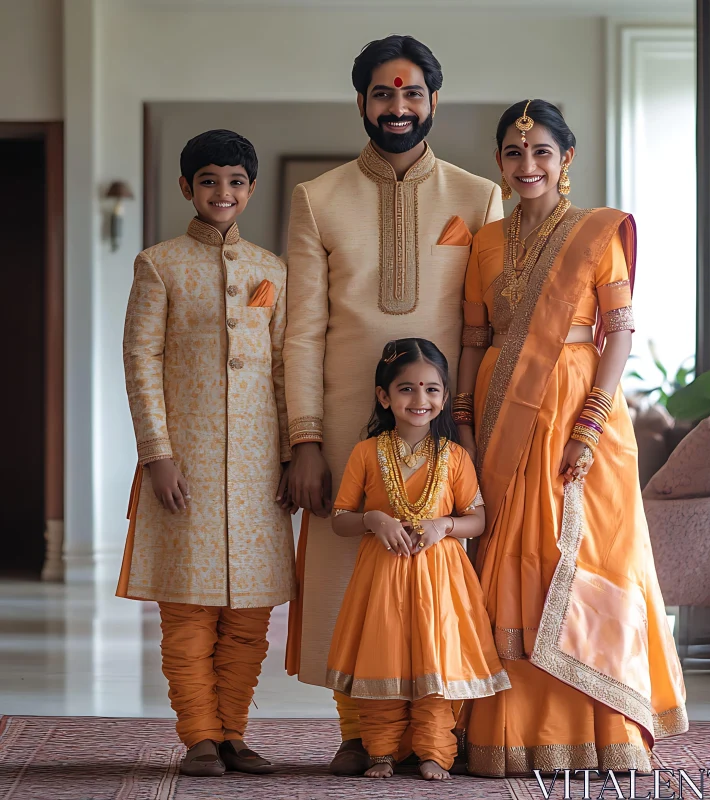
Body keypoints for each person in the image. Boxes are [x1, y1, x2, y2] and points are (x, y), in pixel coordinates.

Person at [281, 35, 503, 774]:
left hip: (443, 424)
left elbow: (490, 324)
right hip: (348, 419)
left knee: (433, 577)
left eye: (411, 94)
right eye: (383, 94)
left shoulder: (478, 197)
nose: (398, 108)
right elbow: (302, 330)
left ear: (433, 101)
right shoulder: (317, 198)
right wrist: (306, 440)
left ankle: (431, 732)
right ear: (362, 104)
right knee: (347, 575)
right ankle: (359, 730)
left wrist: (471, 426)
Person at [455, 101, 687, 776]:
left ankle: (600, 728)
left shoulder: (596, 232)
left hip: (585, 411)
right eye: (514, 153)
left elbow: (620, 335)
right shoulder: (486, 242)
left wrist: (589, 421)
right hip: (503, 412)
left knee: (587, 552)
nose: (528, 166)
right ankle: (510, 732)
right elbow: (474, 340)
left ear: (566, 160)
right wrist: (464, 425)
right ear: (499, 162)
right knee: (508, 553)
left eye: (542, 153)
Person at [117, 129, 296, 777]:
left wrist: (291, 454)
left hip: (258, 470)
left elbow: (282, 369)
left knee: (251, 613)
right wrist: (156, 454)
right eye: (211, 180)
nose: (225, 192)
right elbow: (140, 360)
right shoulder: (159, 263)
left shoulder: (271, 270)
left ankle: (235, 735)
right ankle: (198, 736)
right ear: (187, 187)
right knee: (188, 609)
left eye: (237, 181)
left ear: (251, 188)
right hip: (183, 467)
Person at [325, 338, 510, 781]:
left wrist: (443, 525)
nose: (420, 399)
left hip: (441, 582)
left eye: (431, 389)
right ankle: (382, 752)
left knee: (437, 663)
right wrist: (373, 519)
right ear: (383, 396)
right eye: (406, 389)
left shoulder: (455, 457)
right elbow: (339, 519)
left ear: (444, 397)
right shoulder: (366, 453)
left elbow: (478, 520)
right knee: (382, 659)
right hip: (381, 580)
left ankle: (435, 752)